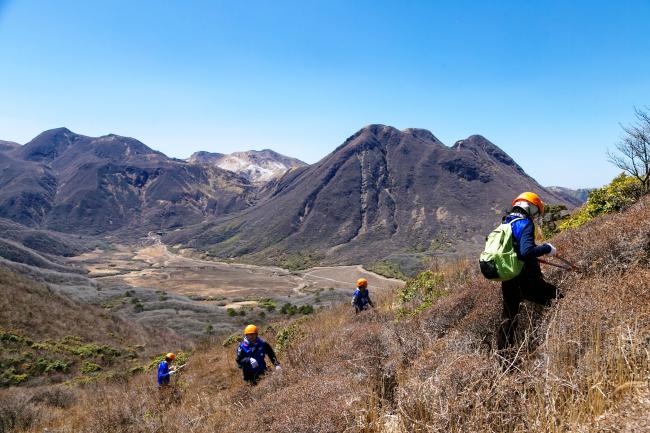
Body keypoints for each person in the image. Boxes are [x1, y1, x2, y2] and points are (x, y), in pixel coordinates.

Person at [497, 192, 560, 351]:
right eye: (536, 211)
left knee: (509, 320)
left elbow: (516, 250)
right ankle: (558, 339)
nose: (536, 216)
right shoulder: (525, 223)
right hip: (527, 279)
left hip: (508, 277)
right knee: (560, 299)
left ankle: (505, 361)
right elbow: (526, 252)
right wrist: (547, 248)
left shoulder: (506, 221)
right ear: (531, 207)